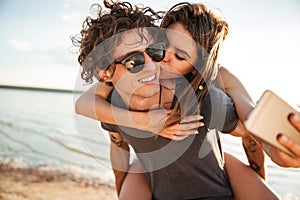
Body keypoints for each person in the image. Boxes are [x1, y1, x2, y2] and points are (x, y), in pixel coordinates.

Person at [73, 1, 280, 199]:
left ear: (196, 66)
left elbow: (250, 129)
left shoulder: (204, 97)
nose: (158, 61)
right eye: (161, 47)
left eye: (155, 52)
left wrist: (257, 180)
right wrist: (146, 122)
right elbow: (113, 137)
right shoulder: (114, 96)